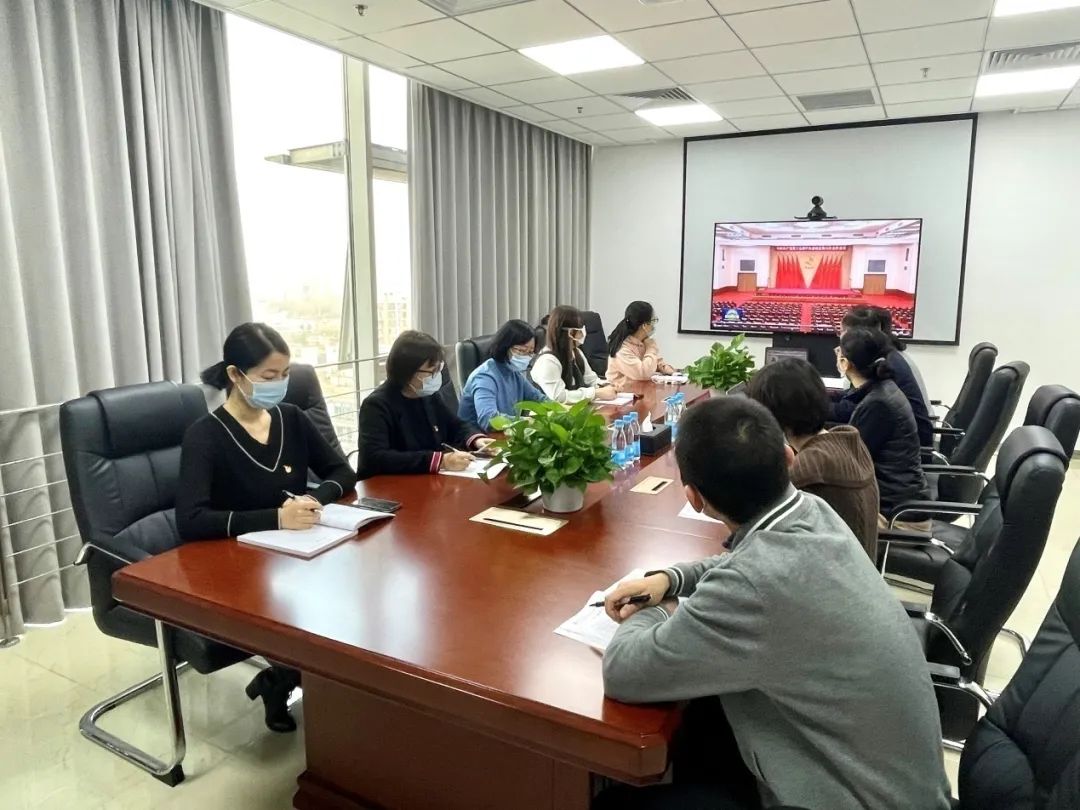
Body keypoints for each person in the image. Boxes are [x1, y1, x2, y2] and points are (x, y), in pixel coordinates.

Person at [595, 398, 951, 810]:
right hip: (889, 780)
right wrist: (671, 579)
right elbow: (743, 563)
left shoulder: (755, 582)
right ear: (788, 457)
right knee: (702, 720)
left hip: (854, 797)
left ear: (693, 498)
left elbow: (623, 671)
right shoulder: (812, 510)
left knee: (612, 802)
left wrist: (656, 608)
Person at [176, 322, 358, 733]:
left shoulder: (291, 418)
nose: (280, 384)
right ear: (235, 375)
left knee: (353, 604)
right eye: (269, 376)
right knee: (319, 622)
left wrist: (315, 499)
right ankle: (289, 682)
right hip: (242, 565)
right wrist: (276, 518)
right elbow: (190, 520)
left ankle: (288, 680)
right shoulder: (205, 436)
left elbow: (341, 471)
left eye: (285, 374)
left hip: (302, 553)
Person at [747, 358, 880, 558]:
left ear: (772, 417)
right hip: (858, 567)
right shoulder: (848, 443)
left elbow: (750, 528)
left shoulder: (808, 470)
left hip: (829, 573)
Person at [356, 330, 493, 478]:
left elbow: (455, 425)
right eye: (431, 371)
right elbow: (376, 458)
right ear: (407, 372)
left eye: (439, 369)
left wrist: (476, 440)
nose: (437, 376)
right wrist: (441, 461)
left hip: (427, 479)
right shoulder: (376, 405)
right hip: (390, 484)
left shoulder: (427, 395)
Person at [836, 328, 931, 531]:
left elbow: (846, 462)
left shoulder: (878, 404)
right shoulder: (883, 388)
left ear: (845, 363)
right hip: (896, 505)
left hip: (896, 519)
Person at [832, 305, 932, 445]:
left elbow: (855, 410)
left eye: (842, 331)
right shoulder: (885, 361)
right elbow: (854, 398)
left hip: (912, 444)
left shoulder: (884, 369)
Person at [458, 319, 547, 431]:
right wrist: (525, 421)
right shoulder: (484, 377)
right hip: (478, 438)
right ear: (505, 347)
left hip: (505, 434)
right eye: (521, 351)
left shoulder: (514, 372)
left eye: (530, 352)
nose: (526, 357)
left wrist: (560, 410)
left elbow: (539, 398)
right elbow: (488, 419)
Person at [531, 305, 615, 403]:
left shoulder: (576, 352)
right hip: (549, 411)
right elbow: (559, 397)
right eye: (580, 331)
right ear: (570, 333)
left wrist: (609, 385)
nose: (583, 335)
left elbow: (591, 380)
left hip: (575, 409)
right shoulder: (547, 361)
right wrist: (595, 393)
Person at [604, 301, 676, 391]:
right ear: (644, 325)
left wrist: (665, 368)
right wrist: (651, 348)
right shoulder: (622, 349)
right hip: (621, 395)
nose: (654, 326)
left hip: (640, 391)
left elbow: (654, 362)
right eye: (653, 321)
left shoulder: (641, 342)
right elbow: (644, 373)